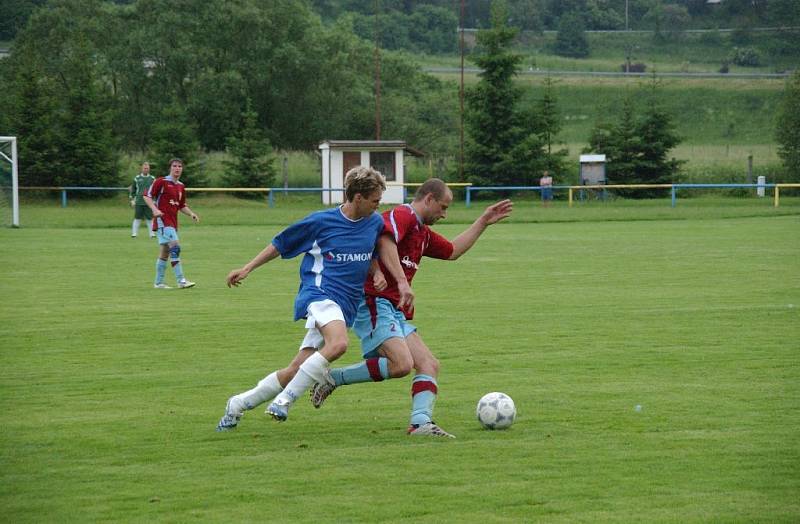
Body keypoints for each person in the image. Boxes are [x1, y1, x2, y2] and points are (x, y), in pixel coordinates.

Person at [310, 179, 513, 438]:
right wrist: (402, 282)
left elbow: (452, 251)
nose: (444, 214)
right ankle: (332, 378)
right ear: (428, 199)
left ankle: (420, 424)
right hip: (374, 300)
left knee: (428, 363)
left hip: (394, 308)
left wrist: (483, 222)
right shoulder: (402, 215)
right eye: (442, 207)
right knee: (402, 363)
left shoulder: (423, 233)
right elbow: (384, 239)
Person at [216, 166, 413, 431]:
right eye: (375, 200)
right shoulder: (321, 222)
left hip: (346, 305)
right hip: (319, 294)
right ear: (358, 198)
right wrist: (247, 268)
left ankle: (237, 404)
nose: (379, 206)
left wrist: (377, 272)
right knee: (339, 344)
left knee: (295, 370)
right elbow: (281, 243)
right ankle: (284, 401)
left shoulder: (374, 223)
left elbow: (367, 252)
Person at [143, 158, 200, 290]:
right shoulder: (161, 182)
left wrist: (191, 213)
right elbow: (146, 196)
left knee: (164, 253)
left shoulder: (181, 186)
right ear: (170, 168)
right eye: (175, 166)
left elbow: (181, 205)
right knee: (175, 247)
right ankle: (181, 281)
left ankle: (158, 283)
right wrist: (155, 209)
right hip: (162, 221)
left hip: (172, 223)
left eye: (180, 166)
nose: (177, 168)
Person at [128, 162, 155, 238]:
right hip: (139, 201)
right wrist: (132, 200)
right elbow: (133, 190)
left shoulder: (152, 179)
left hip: (149, 202)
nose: (146, 169)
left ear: (149, 169)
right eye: (144, 168)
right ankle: (134, 234)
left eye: (147, 168)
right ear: (142, 169)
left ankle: (152, 234)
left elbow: (155, 191)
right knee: (137, 218)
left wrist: (154, 200)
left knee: (150, 219)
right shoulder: (137, 178)